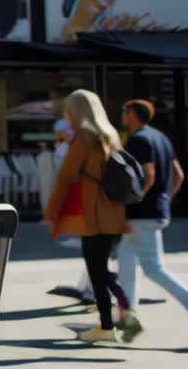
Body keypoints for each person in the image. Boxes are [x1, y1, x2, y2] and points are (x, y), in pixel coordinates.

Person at [116, 99, 188, 348]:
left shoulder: (139, 140)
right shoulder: (161, 138)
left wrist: (133, 202)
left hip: (140, 215)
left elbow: (149, 175)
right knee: (126, 264)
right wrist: (164, 200)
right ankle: (128, 319)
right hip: (151, 213)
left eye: (124, 111)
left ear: (133, 115)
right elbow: (177, 175)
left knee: (153, 268)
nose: (122, 115)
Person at [43, 90, 130, 343]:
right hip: (114, 213)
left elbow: (65, 177)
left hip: (94, 215)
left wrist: (52, 212)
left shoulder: (84, 139)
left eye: (68, 111)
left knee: (97, 272)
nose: (66, 115)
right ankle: (123, 313)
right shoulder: (111, 135)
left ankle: (107, 326)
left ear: (77, 112)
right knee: (101, 270)